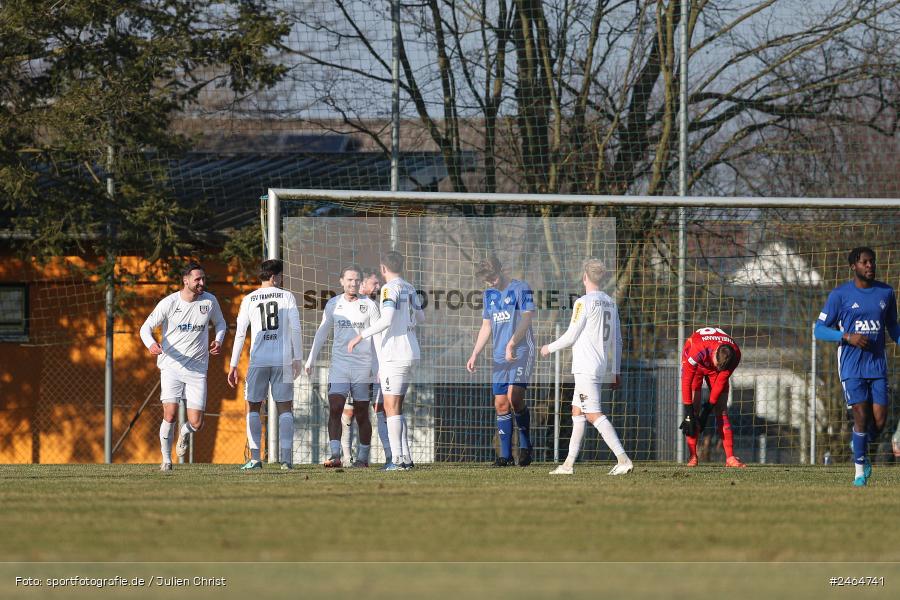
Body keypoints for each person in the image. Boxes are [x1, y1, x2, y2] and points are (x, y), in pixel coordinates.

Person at [814, 246, 900, 486]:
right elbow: (819, 329)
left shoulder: (886, 292)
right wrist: (847, 337)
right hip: (851, 367)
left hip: (877, 366)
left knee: (880, 421)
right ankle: (859, 472)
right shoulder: (840, 295)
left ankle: (858, 443)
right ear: (854, 266)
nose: (870, 265)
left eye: (872, 261)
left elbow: (892, 326)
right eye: (865, 262)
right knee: (860, 416)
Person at [540, 259, 633, 475]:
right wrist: (616, 370)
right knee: (578, 412)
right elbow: (618, 340)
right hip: (600, 365)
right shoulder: (610, 302)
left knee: (593, 414)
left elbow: (571, 336)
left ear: (584, 277)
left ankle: (623, 459)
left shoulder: (583, 302)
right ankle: (568, 465)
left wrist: (548, 348)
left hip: (585, 366)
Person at [140, 262, 227, 471]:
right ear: (185, 280)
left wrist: (218, 340)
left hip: (197, 369)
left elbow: (221, 324)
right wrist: (151, 344)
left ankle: (185, 432)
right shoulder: (169, 303)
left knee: (196, 423)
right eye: (197, 279)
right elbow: (145, 328)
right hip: (171, 367)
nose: (202, 283)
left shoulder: (209, 301)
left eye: (203, 279)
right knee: (169, 413)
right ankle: (166, 460)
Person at [348, 251, 424, 471]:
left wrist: (361, 335)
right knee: (397, 407)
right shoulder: (409, 287)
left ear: (383, 268)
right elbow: (421, 317)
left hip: (395, 354)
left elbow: (387, 320)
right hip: (412, 352)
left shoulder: (390, 289)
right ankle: (406, 459)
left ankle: (398, 460)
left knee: (389, 407)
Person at [227, 259, 303, 470]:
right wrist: (298, 358)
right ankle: (287, 460)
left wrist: (233, 364)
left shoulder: (249, 298)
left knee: (253, 407)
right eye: (280, 276)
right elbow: (295, 329)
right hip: (282, 360)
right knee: (285, 408)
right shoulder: (287, 296)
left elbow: (240, 333)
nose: (282, 280)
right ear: (273, 277)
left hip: (258, 361)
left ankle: (254, 458)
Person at [466, 256, 535, 467]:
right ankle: (505, 456)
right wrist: (475, 353)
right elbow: (486, 326)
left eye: (494, 277)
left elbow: (527, 318)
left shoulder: (521, 288)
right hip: (499, 356)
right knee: (500, 403)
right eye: (487, 280)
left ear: (501, 269)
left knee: (515, 398)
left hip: (521, 350)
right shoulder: (489, 295)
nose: (492, 282)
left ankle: (525, 447)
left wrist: (512, 343)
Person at [306, 266, 377, 468]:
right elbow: (322, 332)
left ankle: (363, 458)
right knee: (336, 407)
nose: (353, 283)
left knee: (362, 412)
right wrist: (311, 358)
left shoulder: (369, 305)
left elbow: (378, 337)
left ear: (361, 282)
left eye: (356, 280)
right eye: (349, 280)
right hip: (339, 365)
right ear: (341, 281)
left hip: (363, 366)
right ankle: (336, 454)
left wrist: (378, 366)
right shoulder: (333, 304)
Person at [679, 326, 744, 468]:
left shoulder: (735, 355)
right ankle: (693, 457)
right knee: (694, 410)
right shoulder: (698, 349)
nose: (717, 368)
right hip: (697, 366)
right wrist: (689, 412)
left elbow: (720, 383)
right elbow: (686, 381)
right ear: (714, 354)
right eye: (716, 365)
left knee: (721, 409)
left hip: (715, 367)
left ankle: (730, 458)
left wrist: (707, 410)